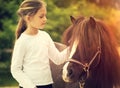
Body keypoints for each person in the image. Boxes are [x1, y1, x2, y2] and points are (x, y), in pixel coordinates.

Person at [10, 0, 69, 88]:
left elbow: (58, 59)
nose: (45, 19)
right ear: (28, 18)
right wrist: (31, 86)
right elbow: (15, 70)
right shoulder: (22, 41)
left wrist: (73, 47)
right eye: (41, 16)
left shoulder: (45, 36)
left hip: (47, 85)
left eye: (45, 15)